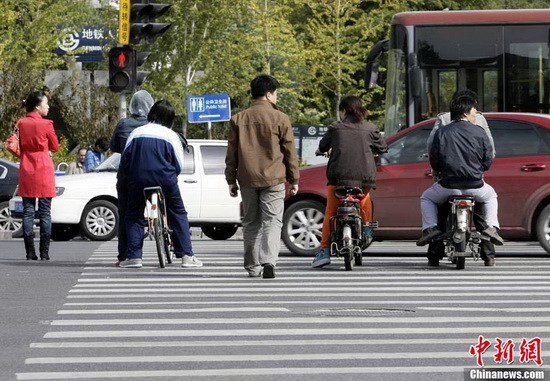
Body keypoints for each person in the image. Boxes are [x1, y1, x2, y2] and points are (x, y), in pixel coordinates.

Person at [225, 74, 300, 279]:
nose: (276, 97)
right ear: (268, 94)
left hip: (247, 179)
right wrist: (294, 179)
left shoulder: (238, 119)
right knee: (272, 222)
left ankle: (252, 266)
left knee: (250, 223)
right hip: (274, 179)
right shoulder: (280, 118)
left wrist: (231, 180)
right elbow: (289, 152)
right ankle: (269, 261)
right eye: (275, 93)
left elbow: (231, 154)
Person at [417, 94, 504, 256]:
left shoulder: (442, 131)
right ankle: (492, 227)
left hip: (448, 185)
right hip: (475, 185)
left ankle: (430, 229)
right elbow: (488, 156)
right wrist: (480, 169)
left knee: (427, 197)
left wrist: (439, 171)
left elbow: (434, 156)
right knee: (491, 196)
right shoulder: (479, 130)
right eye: (474, 109)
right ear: (465, 112)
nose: (476, 113)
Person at [119, 100, 202, 269]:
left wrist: (130, 178)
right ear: (170, 119)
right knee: (178, 212)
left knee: (133, 214)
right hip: (166, 179)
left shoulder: (136, 133)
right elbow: (178, 164)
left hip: (138, 179)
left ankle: (134, 257)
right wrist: (171, 177)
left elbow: (125, 161)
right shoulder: (171, 135)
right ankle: (187, 255)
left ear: (151, 114)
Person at [311, 95, 388, 268]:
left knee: (330, 211)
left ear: (344, 111)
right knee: (365, 200)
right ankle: (367, 229)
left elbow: (323, 146)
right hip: (364, 179)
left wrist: (322, 151)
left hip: (338, 178)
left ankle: (323, 250)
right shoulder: (371, 128)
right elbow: (383, 147)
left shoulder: (335, 128)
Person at [109, 90, 154, 266]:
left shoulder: (123, 124)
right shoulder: (154, 125)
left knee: (126, 213)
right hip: (153, 174)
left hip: (127, 175)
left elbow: (114, 147)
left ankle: (124, 255)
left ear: (132, 106)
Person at [17, 89, 60, 260]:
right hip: (43, 167)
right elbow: (55, 146)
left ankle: (29, 252)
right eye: (46, 104)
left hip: (27, 166)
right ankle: (44, 252)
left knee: (28, 212)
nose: (48, 107)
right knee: (45, 212)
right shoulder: (46, 124)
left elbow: (17, 145)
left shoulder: (21, 123)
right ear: (37, 107)